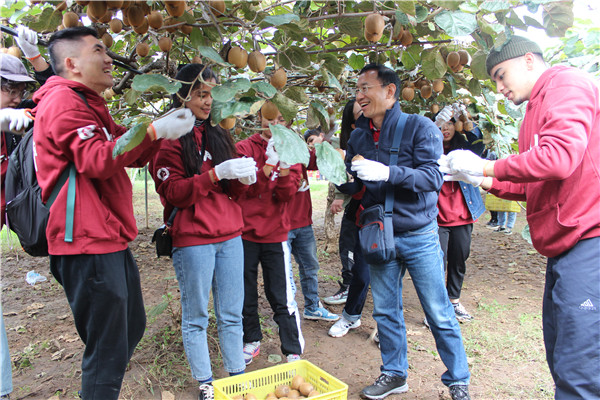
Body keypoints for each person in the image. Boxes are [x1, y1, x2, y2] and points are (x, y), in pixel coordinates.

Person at [31, 27, 195, 400]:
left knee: (130, 325)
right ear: (72, 63)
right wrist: (153, 130)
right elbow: (97, 159)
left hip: (106, 236)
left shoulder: (89, 104)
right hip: (85, 241)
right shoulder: (63, 102)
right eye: (99, 50)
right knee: (107, 350)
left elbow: (129, 148)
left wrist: (159, 131)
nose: (110, 59)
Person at [439, 35, 600, 399]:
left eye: (501, 75)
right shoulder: (533, 111)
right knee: (561, 354)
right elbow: (535, 183)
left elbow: (558, 158)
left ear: (529, 60)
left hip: (589, 239)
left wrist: (487, 164)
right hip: (563, 247)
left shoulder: (566, 83)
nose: (499, 88)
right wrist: (480, 178)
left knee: (579, 368)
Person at [340, 64, 470, 400]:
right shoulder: (359, 135)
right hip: (378, 233)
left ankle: (458, 379)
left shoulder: (420, 128)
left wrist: (388, 172)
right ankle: (394, 374)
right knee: (385, 310)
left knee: (437, 310)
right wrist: (340, 175)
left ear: (389, 91)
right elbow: (357, 184)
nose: (360, 96)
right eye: (357, 90)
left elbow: (432, 178)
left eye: (366, 87)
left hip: (418, 234)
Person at [149, 64, 256, 400]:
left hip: (230, 237)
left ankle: (236, 377)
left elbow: (234, 193)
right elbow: (174, 193)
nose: (209, 102)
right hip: (193, 239)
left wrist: (243, 179)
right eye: (202, 94)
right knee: (197, 315)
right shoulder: (170, 141)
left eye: (213, 94)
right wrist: (213, 175)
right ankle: (206, 383)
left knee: (231, 313)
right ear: (184, 94)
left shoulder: (220, 134)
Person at [0, 32, 54, 398]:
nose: (17, 96)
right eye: (8, 88)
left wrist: (36, 58)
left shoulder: (16, 121)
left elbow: (58, 94)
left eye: (20, 89)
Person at [235, 104, 304, 364]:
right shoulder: (244, 148)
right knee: (245, 291)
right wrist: (269, 163)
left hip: (276, 234)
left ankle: (292, 348)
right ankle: (251, 340)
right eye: (269, 119)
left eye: (281, 119)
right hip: (244, 233)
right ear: (259, 119)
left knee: (281, 294)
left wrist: (284, 165)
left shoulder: (293, 149)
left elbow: (286, 194)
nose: (275, 124)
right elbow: (245, 189)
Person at [433, 105, 486, 323]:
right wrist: (434, 125)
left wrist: (466, 118)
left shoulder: (463, 148)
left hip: (462, 212)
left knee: (459, 258)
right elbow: (415, 147)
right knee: (438, 260)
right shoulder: (430, 146)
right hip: (436, 214)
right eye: (441, 125)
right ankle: (436, 308)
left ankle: (453, 301)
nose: (445, 129)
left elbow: (478, 145)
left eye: (449, 124)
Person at [285, 127, 339, 322]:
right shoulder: (271, 156)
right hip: (280, 227)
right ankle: (287, 313)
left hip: (303, 224)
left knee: (310, 266)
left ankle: (312, 307)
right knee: (284, 274)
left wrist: (323, 144)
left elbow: (324, 160)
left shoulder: (301, 154)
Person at [323, 99, 363, 306]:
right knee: (348, 244)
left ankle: (362, 285)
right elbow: (341, 174)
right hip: (354, 204)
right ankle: (348, 286)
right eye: (359, 113)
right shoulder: (343, 144)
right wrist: (340, 196)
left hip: (374, 204)